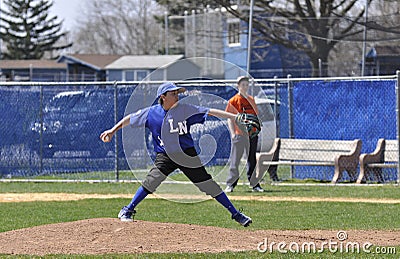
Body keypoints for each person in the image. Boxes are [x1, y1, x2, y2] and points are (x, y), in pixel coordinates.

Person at [100, 82, 253, 227]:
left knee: (208, 185)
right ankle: (127, 210)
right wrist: (112, 130)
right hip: (165, 155)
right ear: (163, 97)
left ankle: (236, 214)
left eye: (177, 93)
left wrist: (236, 117)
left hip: (186, 154)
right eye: (173, 94)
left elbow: (210, 111)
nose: (177, 96)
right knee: (150, 182)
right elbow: (130, 118)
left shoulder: (185, 109)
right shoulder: (152, 113)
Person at [225, 76, 264, 193]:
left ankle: (254, 184)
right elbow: (229, 118)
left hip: (251, 135)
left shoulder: (251, 99)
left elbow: (255, 116)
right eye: (243, 85)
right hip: (239, 135)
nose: (245, 87)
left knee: (252, 159)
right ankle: (230, 184)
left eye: (247, 85)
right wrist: (233, 133)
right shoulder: (233, 100)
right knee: (235, 160)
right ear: (238, 86)